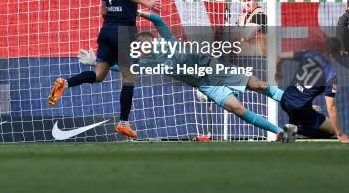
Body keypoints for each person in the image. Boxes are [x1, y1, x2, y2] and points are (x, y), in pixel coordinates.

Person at [78, 10, 293, 142]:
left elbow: (158, 20)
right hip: (205, 85)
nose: (141, 49)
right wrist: (97, 61)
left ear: (152, 41)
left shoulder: (168, 42)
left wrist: (138, 13)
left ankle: (295, 102)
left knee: (261, 86)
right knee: (238, 109)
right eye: (139, 47)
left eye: (143, 44)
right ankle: (279, 132)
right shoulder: (149, 62)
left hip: (214, 68)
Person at [48, 0, 161, 139]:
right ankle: (123, 123)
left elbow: (103, 11)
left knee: (99, 74)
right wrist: (146, 2)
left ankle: (65, 84)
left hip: (106, 29)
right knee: (128, 78)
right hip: (123, 31)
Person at [277, 38, 349, 143]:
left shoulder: (309, 54)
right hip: (299, 108)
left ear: (324, 48)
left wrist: (278, 72)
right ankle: (295, 130)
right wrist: (340, 134)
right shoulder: (331, 75)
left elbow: (280, 56)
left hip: (285, 99)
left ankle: (289, 134)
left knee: (290, 136)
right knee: (331, 130)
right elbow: (331, 107)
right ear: (336, 54)